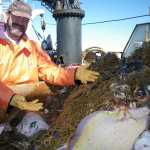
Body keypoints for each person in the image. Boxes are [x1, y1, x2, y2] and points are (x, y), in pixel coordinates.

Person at [0, 0, 99, 112]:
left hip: (29, 103)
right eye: (17, 17)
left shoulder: (33, 47)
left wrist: (73, 74)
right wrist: (11, 99)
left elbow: (50, 71)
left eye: (25, 20)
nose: (21, 23)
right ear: (7, 16)